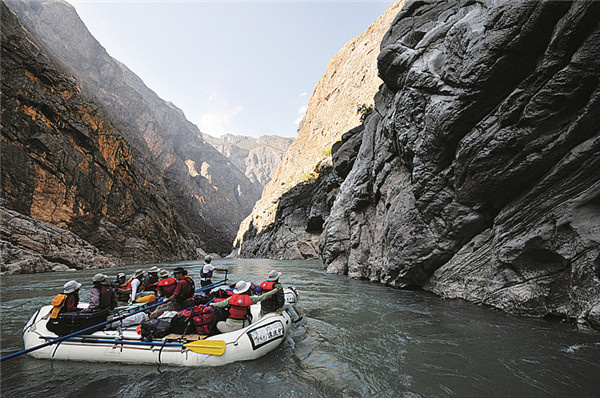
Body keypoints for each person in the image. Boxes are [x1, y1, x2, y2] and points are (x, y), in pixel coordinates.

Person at [210, 280, 280, 333]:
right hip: (244, 325)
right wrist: (274, 291)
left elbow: (220, 304)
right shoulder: (250, 298)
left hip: (230, 325)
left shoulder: (231, 298)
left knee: (218, 324)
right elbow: (262, 297)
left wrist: (212, 304)